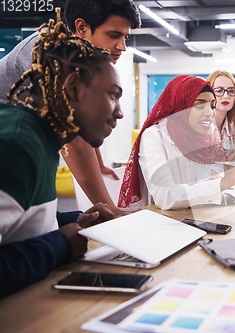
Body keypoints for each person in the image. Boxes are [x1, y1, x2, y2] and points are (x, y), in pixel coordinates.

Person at [0, 14, 121, 298]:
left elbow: (18, 222)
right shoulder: (16, 145)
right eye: (113, 95)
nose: (119, 112)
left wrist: (74, 219)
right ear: (74, 87)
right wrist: (60, 244)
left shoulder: (40, 139)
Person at [0, 0, 141, 217]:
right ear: (82, 28)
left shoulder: (80, 57)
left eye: (125, 37)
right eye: (114, 35)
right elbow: (73, 137)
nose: (122, 46)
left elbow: (83, 120)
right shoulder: (49, 51)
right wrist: (110, 210)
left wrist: (100, 164)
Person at [118, 75, 235, 210]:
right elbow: (166, 196)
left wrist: (229, 170)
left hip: (193, 217)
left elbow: (204, 184)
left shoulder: (206, 139)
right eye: (199, 105)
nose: (209, 113)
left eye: (212, 106)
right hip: (157, 221)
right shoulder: (154, 137)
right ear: (180, 106)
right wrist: (223, 183)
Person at [206, 70, 235, 142]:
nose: (226, 96)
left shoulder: (234, 128)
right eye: (219, 90)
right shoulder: (201, 127)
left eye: (231, 91)